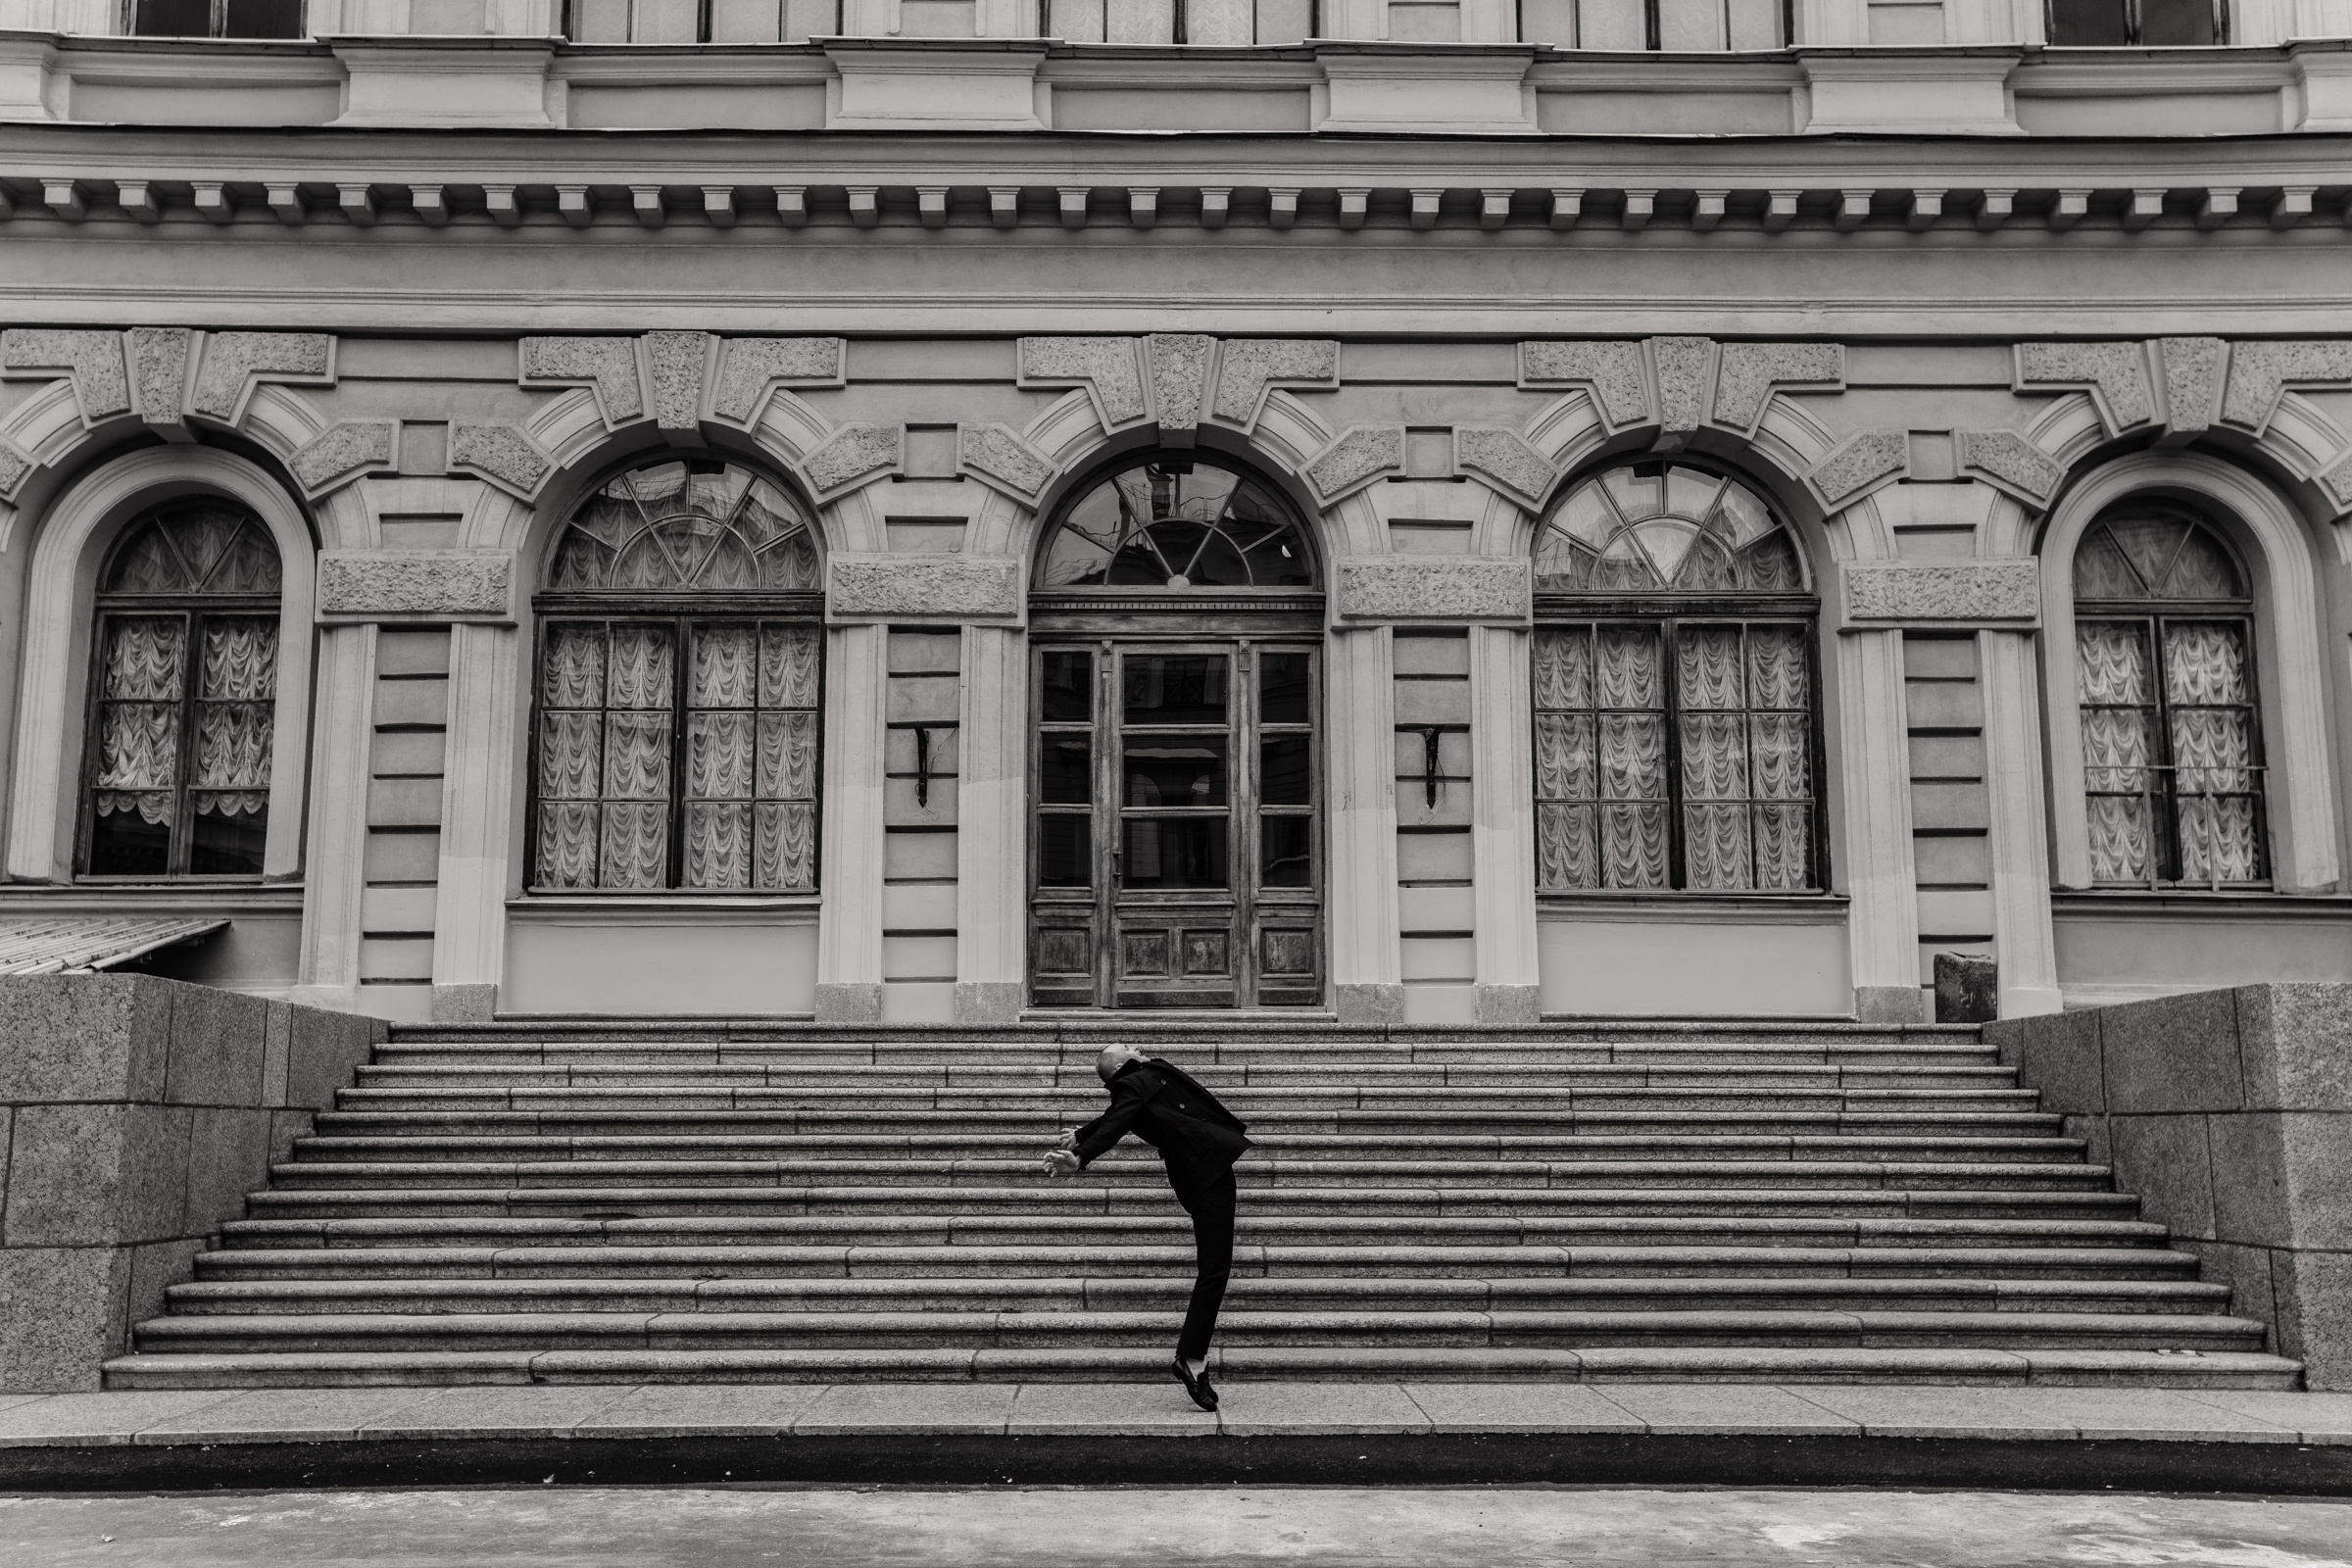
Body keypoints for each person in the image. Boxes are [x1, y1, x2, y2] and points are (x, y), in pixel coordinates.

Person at [1042, 1042, 1250, 1411]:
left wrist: (1082, 1135)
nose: (1137, 1046)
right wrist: (1082, 1156)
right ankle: (1192, 1359)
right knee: (1215, 1269)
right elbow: (1122, 1119)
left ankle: (1192, 1357)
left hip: (1205, 1168)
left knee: (1215, 1268)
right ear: (1123, 1063)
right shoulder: (1134, 1082)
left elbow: (1120, 1115)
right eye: (1128, 1047)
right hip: (1205, 1172)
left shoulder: (1138, 1083)